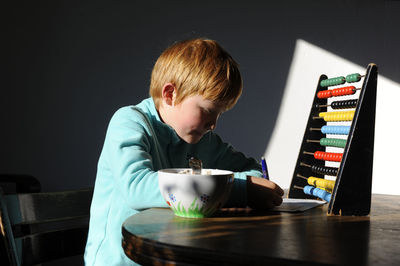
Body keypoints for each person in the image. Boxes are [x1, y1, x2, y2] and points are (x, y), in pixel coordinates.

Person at [84, 38, 284, 265]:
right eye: (208, 110)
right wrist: (238, 188)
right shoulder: (129, 122)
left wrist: (249, 185)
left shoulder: (204, 140)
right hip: (122, 260)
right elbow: (136, 188)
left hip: (172, 255)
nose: (213, 124)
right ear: (170, 94)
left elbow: (252, 172)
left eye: (220, 114)